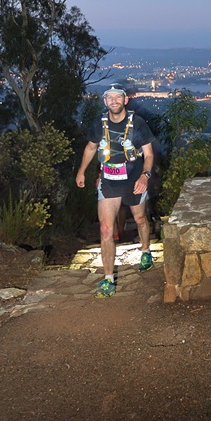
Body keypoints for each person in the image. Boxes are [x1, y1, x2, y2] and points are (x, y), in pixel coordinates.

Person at [75, 83, 156, 298]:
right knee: (105, 230)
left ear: (125, 100)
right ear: (105, 102)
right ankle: (108, 279)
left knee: (139, 219)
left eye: (118, 97)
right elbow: (91, 147)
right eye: (109, 98)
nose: (114, 101)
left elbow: (148, 155)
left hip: (134, 180)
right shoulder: (99, 124)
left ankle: (146, 250)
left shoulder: (137, 123)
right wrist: (82, 171)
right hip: (109, 181)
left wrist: (144, 176)